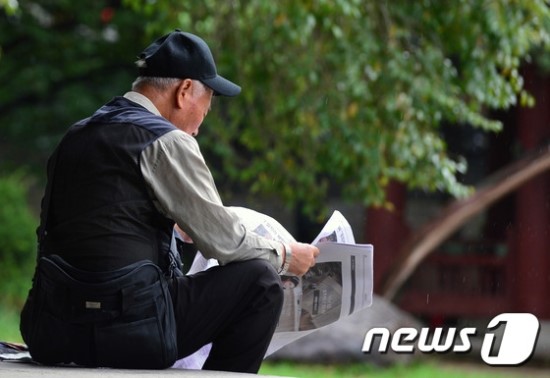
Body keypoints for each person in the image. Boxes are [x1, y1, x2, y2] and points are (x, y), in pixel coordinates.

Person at [20, 30, 319, 373]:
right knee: (260, 281)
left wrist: (169, 225)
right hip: (130, 331)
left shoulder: (77, 134)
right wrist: (284, 255)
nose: (198, 128)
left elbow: (94, 225)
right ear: (185, 90)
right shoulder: (168, 140)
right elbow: (227, 243)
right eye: (205, 109)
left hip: (54, 330)